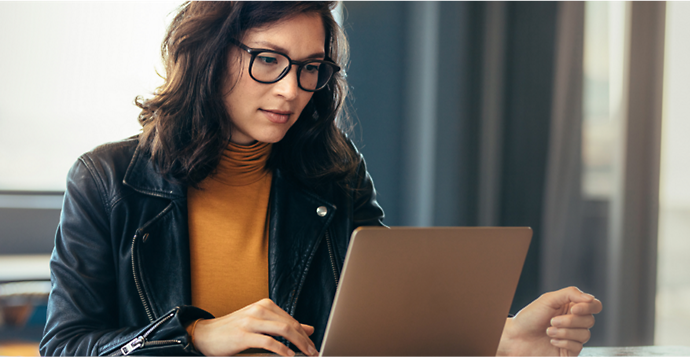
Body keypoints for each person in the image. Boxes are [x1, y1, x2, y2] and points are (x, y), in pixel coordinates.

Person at [39, 0, 603, 356]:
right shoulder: (107, 180)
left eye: (311, 67)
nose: (290, 89)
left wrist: (498, 340)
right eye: (268, 60)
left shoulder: (333, 171)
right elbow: (65, 345)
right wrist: (193, 338)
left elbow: (387, 320)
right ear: (210, 54)